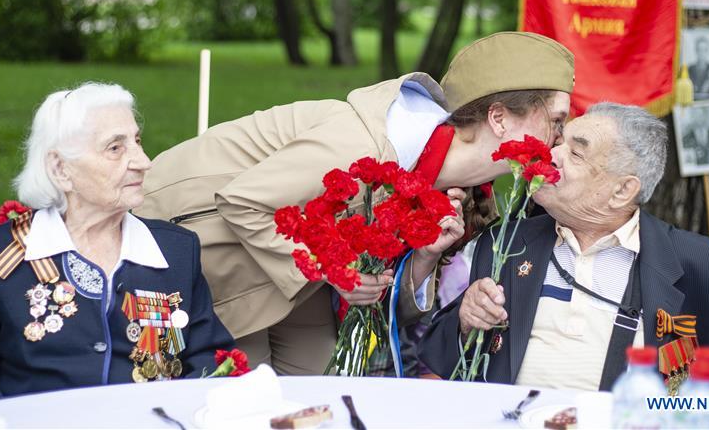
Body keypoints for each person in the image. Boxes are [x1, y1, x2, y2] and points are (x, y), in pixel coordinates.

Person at [135, 31, 574, 375]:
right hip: (208, 249)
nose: (561, 140)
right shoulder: (361, 143)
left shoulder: (461, 194)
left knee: (320, 392)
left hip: (292, 276)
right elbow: (243, 204)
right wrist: (336, 272)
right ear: (498, 118)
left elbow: (386, 308)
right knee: (248, 399)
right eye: (556, 122)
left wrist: (423, 259)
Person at [420, 103, 709, 406]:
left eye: (576, 152)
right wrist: (465, 321)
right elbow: (442, 358)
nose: (551, 154)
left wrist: (685, 416)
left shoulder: (705, 269)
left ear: (622, 191)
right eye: (559, 142)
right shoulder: (506, 245)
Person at [0, 83, 233, 407]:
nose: (144, 161)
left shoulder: (174, 251)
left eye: (137, 141)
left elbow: (209, 360)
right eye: (116, 148)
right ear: (61, 169)